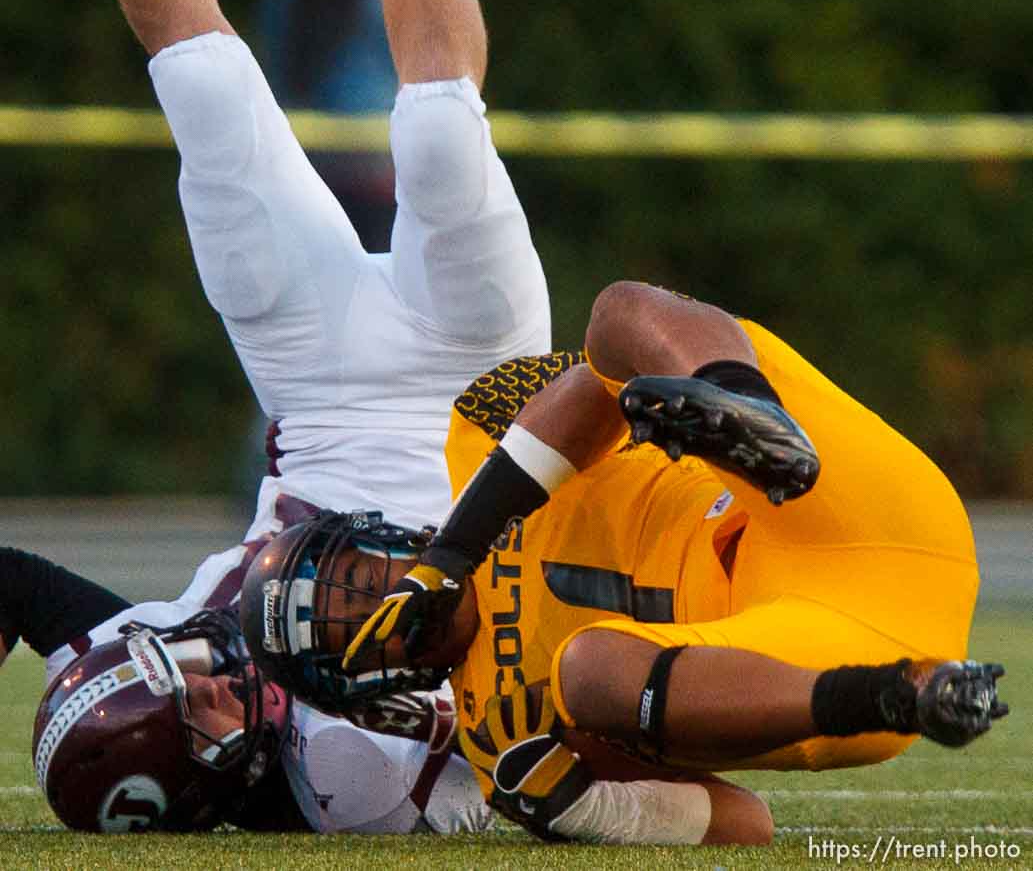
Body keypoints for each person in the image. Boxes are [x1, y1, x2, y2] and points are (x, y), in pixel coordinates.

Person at [19, 0, 549, 829]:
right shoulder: (351, 783)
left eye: (184, 670)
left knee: (207, 100)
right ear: (216, 765)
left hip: (311, 395)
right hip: (484, 401)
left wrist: (61, 646)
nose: (207, 667)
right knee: (442, 141)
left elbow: (23, 584)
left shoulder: (163, 656)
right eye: (202, 698)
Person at [241, 281, 1008, 846]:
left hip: (825, 507)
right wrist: (587, 810)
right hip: (835, 656)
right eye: (354, 632)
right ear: (373, 690)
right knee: (591, 673)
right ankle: (909, 693)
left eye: (359, 580)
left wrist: (455, 551)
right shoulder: (494, 738)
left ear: (379, 537)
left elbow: (597, 376)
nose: (378, 605)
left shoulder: (475, 438)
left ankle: (743, 409)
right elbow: (746, 823)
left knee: (620, 315)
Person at [2, 545, 487, 834]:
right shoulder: (349, 772)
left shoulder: (117, 659)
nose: (214, 682)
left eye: (186, 666)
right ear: (194, 788)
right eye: (193, 707)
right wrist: (436, 725)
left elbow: (13, 580)